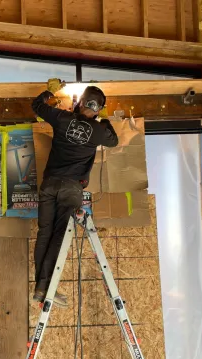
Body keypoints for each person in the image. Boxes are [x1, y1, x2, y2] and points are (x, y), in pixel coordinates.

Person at [31, 78, 119, 307]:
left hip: (49, 184)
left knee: (45, 233)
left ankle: (41, 288)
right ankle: (44, 288)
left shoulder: (63, 118)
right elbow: (113, 139)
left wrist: (49, 92)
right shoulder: (99, 131)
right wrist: (104, 119)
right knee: (58, 236)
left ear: (79, 102)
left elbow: (37, 107)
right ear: (98, 109)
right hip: (71, 188)